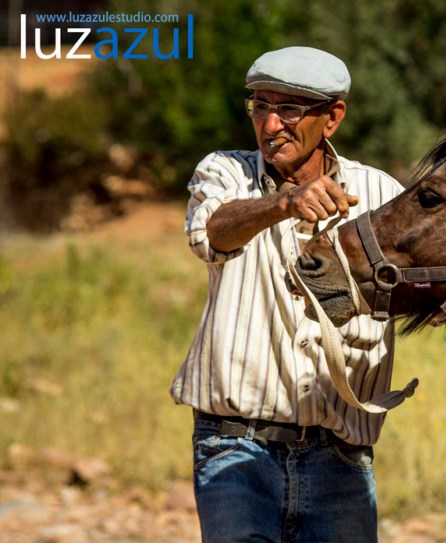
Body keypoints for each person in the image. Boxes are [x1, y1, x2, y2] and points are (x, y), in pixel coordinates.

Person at [170, 46, 405, 542]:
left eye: (290, 110)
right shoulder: (226, 172)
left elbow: (435, 285)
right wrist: (283, 203)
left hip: (342, 457)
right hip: (234, 449)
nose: (271, 124)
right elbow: (213, 233)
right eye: (260, 106)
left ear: (332, 118)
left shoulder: (382, 195)